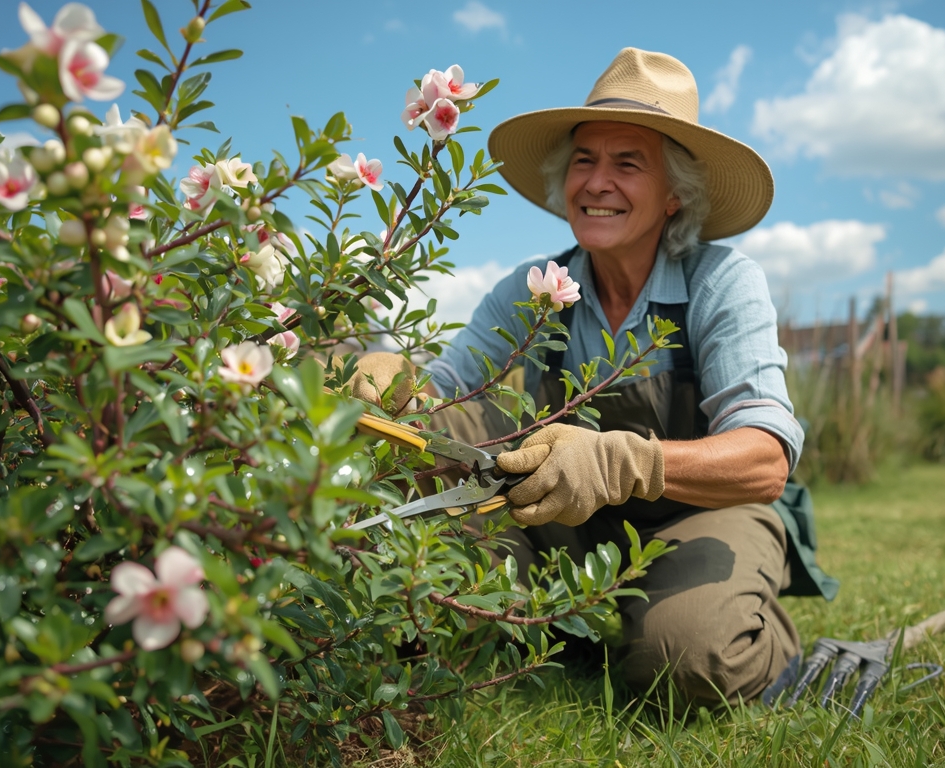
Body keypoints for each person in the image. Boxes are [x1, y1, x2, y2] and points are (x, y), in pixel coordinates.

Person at [351, 47, 837, 706]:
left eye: (627, 164)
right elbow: (447, 397)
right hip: (562, 522)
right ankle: (532, 620)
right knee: (427, 429)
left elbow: (765, 460)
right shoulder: (537, 289)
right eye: (584, 160)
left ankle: (758, 638)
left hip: (700, 516)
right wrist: (395, 379)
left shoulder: (720, 283)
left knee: (682, 661)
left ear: (675, 196)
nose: (596, 182)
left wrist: (618, 460)